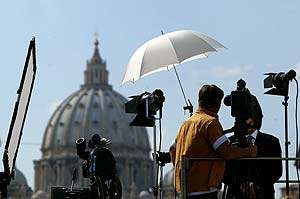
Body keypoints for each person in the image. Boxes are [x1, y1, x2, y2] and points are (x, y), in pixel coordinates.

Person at [169, 84, 257, 199]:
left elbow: (172, 150)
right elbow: (226, 152)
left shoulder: (187, 123)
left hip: (185, 189)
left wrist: (186, 170)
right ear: (218, 104)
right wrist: (249, 152)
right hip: (204, 189)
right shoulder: (210, 122)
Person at [224, 104, 282, 199]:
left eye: (251, 117)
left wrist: (256, 185)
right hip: (235, 194)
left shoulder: (272, 142)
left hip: (264, 193)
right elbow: (224, 171)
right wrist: (240, 184)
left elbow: (276, 172)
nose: (249, 121)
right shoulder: (230, 142)